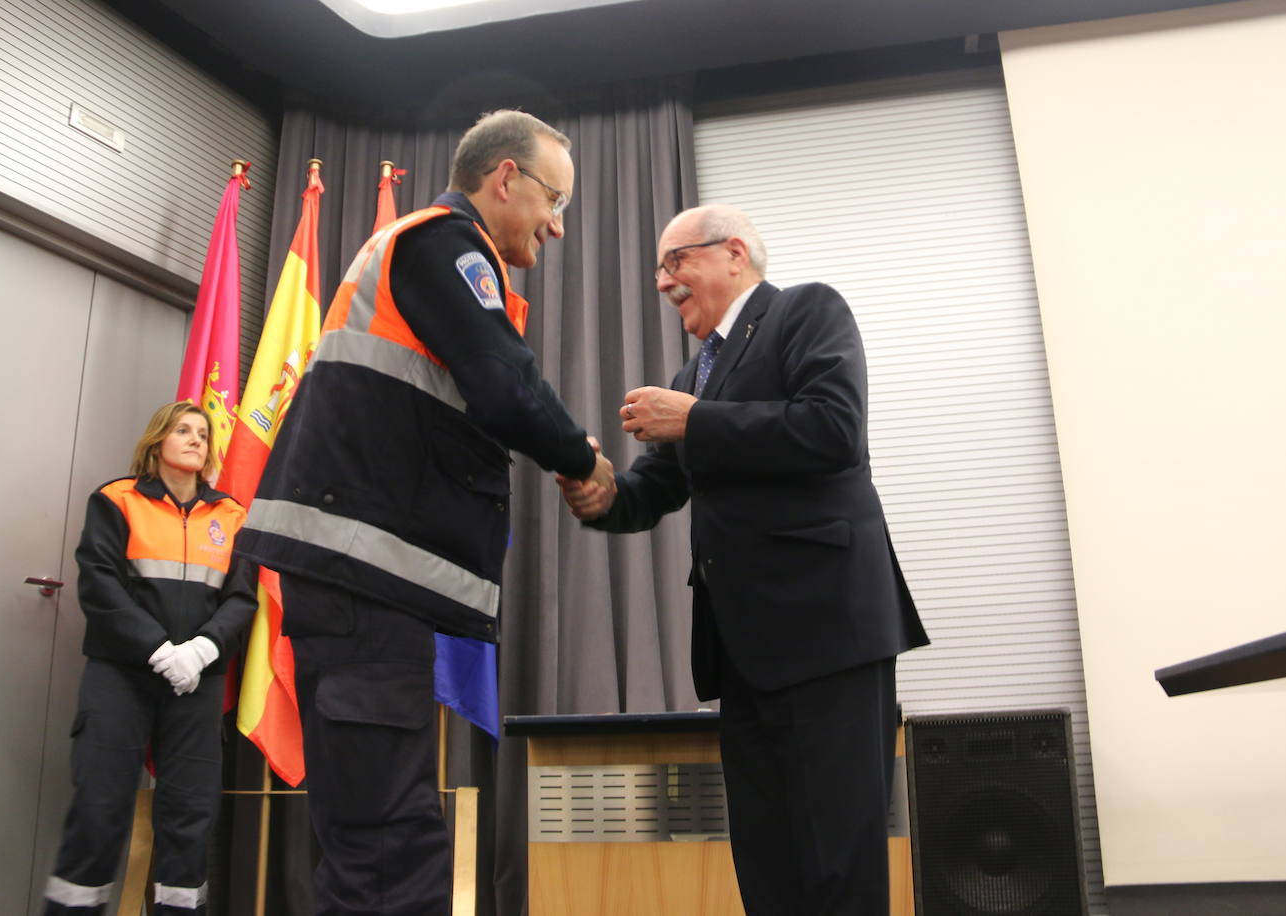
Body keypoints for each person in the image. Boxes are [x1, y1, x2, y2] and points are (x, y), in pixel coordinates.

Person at [233, 109, 614, 915]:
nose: (559, 225)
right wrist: (584, 462)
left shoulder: (434, 254)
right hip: (364, 583)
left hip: (366, 585)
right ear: (505, 177)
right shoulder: (444, 243)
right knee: (387, 847)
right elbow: (506, 388)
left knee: (371, 839)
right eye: (556, 199)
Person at [560, 204, 930, 915]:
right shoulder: (694, 371)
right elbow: (656, 488)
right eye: (658, 269)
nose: (662, 281)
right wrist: (602, 493)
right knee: (768, 864)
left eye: (675, 262)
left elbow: (833, 428)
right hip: (743, 652)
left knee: (838, 865)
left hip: (829, 637)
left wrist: (693, 418)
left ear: (733, 252)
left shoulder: (806, 312)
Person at [42, 401, 256, 915]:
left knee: (190, 817)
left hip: (196, 685)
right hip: (121, 678)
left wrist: (202, 650)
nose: (195, 440)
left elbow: (242, 597)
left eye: (203, 434)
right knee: (99, 809)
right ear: (157, 440)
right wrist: (158, 650)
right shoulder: (117, 500)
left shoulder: (231, 515)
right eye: (182, 430)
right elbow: (99, 585)